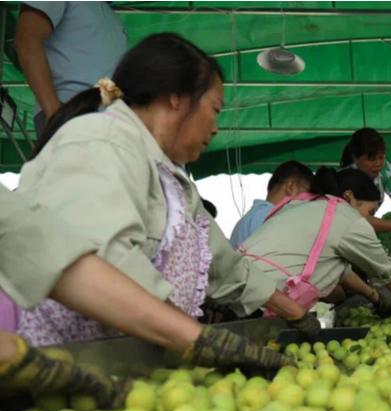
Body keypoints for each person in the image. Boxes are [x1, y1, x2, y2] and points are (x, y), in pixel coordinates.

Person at [16, 33, 315, 347]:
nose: (215, 127)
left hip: (126, 366)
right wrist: (193, 338)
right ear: (177, 98)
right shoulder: (99, 142)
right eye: (214, 109)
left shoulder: (170, 178)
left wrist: (291, 309)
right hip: (60, 361)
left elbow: (222, 264)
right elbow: (102, 263)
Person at [0, 186, 291, 409]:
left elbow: (46, 250)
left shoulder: (173, 185)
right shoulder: (98, 157)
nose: (214, 126)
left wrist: (196, 338)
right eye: (214, 108)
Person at [239, 166, 391, 313]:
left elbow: (341, 272)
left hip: (236, 285)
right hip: (265, 299)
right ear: (350, 197)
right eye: (370, 210)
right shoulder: (348, 218)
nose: (370, 217)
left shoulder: (303, 205)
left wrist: (374, 297)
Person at [14, 1, 127, 136]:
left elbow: (105, 73)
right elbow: (27, 39)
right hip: (69, 111)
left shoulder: (114, 19)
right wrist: (54, 112)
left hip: (109, 121)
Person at [229, 161, 313, 247]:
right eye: (306, 196)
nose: (307, 204)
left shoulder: (258, 214)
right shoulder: (268, 217)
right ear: (291, 187)